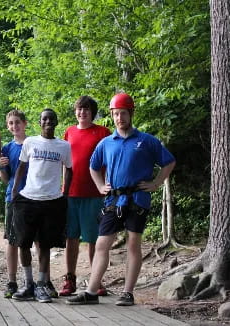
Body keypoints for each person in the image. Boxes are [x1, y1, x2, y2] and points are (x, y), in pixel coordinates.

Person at [65, 93, 176, 306]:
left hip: (137, 199)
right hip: (113, 200)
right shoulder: (106, 143)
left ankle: (127, 293)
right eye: (116, 114)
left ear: (130, 114)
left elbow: (169, 162)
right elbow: (93, 166)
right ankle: (91, 291)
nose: (119, 118)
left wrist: (156, 183)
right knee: (101, 243)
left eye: (123, 113)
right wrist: (99, 186)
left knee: (133, 244)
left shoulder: (146, 141)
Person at [11, 108, 72, 303]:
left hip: (52, 201)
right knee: (23, 243)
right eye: (44, 119)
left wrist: (65, 192)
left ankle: (40, 286)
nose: (48, 121)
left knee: (45, 245)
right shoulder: (30, 142)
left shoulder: (64, 146)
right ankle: (28, 284)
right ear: (39, 122)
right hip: (28, 198)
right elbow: (22, 166)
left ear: (56, 122)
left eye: (51, 118)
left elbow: (69, 169)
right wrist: (14, 190)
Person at [0, 110, 58, 299]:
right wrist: (0, 167)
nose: (14, 126)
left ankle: (45, 281)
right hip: (14, 199)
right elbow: (6, 178)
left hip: (36, 198)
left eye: (17, 122)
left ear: (25, 123)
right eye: (10, 123)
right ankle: (12, 281)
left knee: (41, 241)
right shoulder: (7, 149)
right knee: (13, 240)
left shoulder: (36, 144)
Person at [59, 96, 111, 297]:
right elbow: (65, 163)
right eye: (79, 109)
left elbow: (108, 161)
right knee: (71, 238)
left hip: (95, 194)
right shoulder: (69, 132)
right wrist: (63, 189)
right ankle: (69, 279)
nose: (82, 113)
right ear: (75, 112)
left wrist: (107, 188)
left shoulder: (102, 133)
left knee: (94, 240)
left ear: (93, 112)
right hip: (71, 193)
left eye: (86, 109)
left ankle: (95, 280)